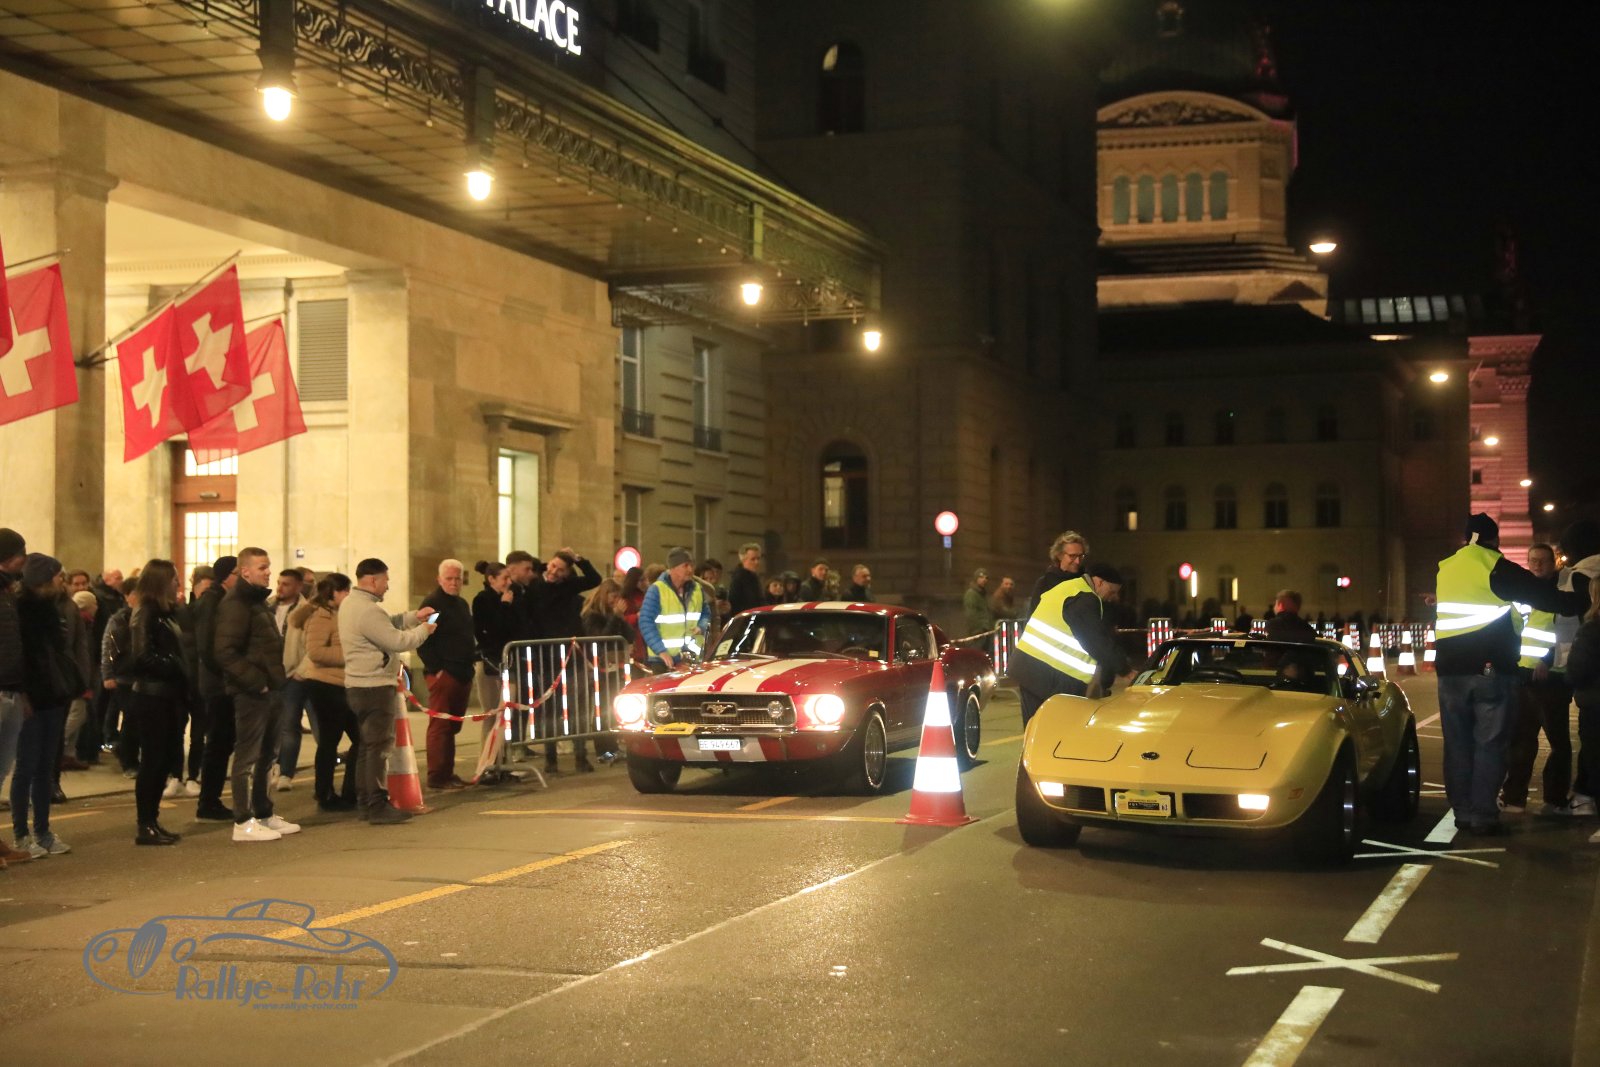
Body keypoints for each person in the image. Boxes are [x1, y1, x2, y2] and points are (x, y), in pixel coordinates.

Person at [1433, 514, 1585, 836]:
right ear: (1494, 539)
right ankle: (1483, 816)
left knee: (1457, 744)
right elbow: (1545, 596)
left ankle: (1462, 812)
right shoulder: (1495, 566)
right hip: (1487, 667)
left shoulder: (1446, 568)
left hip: (1448, 670)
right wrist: (1585, 599)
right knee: (1490, 742)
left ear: (1466, 538)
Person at [339, 558, 434, 824]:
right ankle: (377, 805)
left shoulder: (351, 604)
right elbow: (396, 640)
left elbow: (386, 624)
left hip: (358, 686)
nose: (387, 586)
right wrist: (424, 630)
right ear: (372, 580)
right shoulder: (368, 611)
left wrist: (413, 617)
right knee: (378, 748)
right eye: (385, 580)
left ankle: (365, 803)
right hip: (374, 686)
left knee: (366, 747)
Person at [214, 547, 298, 843]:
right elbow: (225, 651)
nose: (268, 572)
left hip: (271, 689)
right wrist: (257, 682)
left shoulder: (257, 601)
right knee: (248, 757)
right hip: (252, 692)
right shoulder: (236, 603)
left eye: (268, 566)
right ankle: (243, 820)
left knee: (268, 755)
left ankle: (263, 812)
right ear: (245, 571)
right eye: (262, 567)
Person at [11, 554, 78, 858]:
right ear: (44, 578)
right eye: (57, 575)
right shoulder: (20, 609)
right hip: (31, 697)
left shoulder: (52, 607)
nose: (61, 581)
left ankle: (43, 830)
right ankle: (21, 834)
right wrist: (23, 694)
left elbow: (61, 650)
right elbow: (19, 657)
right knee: (26, 766)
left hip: (53, 694)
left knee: (46, 767)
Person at [1013, 561, 1132, 728]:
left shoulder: (1069, 588)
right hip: (1052, 676)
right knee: (1056, 732)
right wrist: (1125, 669)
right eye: (1112, 591)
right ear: (1099, 582)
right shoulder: (1084, 598)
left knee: (1035, 730)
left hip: (1030, 668)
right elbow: (1095, 640)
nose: (1113, 597)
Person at [120, 561, 188, 846]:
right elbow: (141, 656)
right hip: (152, 696)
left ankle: (152, 820)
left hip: (168, 694)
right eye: (173, 579)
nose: (178, 584)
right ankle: (145, 823)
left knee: (164, 760)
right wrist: (174, 665)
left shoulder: (166, 612)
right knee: (153, 760)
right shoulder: (145, 612)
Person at [1502, 543, 1568, 814]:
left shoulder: (1563, 593)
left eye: (1542, 560)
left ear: (1553, 563)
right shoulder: (1523, 595)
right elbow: (1515, 630)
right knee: (1521, 739)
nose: (1537, 565)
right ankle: (1514, 798)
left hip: (1552, 676)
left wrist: (1548, 660)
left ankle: (1555, 800)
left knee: (1558, 743)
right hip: (1524, 675)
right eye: (1533, 560)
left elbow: (1568, 632)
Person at [527, 548, 602, 773]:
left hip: (571, 657)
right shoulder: (535, 586)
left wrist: (579, 559)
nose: (554, 572)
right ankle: (550, 760)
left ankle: (581, 756)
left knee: (577, 708)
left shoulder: (569, 586)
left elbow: (594, 579)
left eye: (560, 569)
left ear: (567, 573)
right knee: (549, 710)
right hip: (546, 658)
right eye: (552, 566)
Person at [294, 574, 361, 812]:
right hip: (324, 685)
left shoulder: (341, 614)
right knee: (330, 741)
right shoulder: (321, 616)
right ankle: (325, 794)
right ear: (332, 593)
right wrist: (351, 655)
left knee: (360, 738)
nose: (348, 595)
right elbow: (316, 652)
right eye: (344, 591)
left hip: (343, 684)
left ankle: (351, 791)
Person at [1552, 520, 1600, 816]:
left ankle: (1585, 798)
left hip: (1592, 693)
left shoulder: (1577, 577)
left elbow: (1578, 661)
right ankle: (1583, 792)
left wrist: (1568, 674)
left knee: (1593, 747)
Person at [420, 559, 475, 791]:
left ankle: (448, 773)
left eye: (457, 579)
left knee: (452, 727)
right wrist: (437, 669)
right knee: (440, 726)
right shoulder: (432, 605)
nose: (454, 583)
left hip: (462, 672)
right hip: (445, 674)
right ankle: (437, 776)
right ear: (439, 579)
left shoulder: (462, 604)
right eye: (449, 579)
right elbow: (423, 638)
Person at [193, 556, 239, 821]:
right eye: (237, 573)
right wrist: (229, 671)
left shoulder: (222, 599)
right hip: (217, 684)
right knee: (218, 743)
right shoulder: (212, 602)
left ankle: (211, 799)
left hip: (222, 681)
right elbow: (208, 647)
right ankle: (208, 802)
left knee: (223, 742)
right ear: (225, 576)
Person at [0, 529, 33, 870]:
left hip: (10, 688)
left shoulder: (9, 591)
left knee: (2, 768)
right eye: (21, 553)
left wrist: (21, 690)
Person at [1561, 577, 1600, 844]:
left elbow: (1577, 669)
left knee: (1596, 759)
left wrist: (1569, 677)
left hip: (1595, 703)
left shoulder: (1591, 630)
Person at [269, 569, 312, 793]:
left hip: (293, 674)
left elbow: (310, 645)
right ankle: (273, 766)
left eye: (286, 584)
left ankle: (286, 771)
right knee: (271, 725)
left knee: (289, 724)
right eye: (279, 583)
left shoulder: (306, 610)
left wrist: (301, 671)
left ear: (298, 587)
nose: (280, 588)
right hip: (270, 674)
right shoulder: (268, 606)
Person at [638, 548, 710, 674]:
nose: (690, 569)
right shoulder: (657, 590)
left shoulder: (697, 589)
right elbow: (645, 621)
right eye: (685, 565)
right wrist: (661, 651)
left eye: (692, 565)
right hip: (664, 660)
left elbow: (706, 613)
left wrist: (701, 626)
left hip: (691, 658)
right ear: (673, 568)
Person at [472, 560, 518, 750]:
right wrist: (504, 606)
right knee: (491, 713)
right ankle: (487, 759)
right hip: (489, 663)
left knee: (506, 714)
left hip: (506, 661)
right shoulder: (482, 599)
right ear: (491, 579)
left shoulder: (509, 598)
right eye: (504, 578)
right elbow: (491, 629)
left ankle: (501, 756)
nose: (509, 582)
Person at [1029, 531, 1089, 614]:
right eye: (1072, 556)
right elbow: (1033, 615)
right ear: (1059, 555)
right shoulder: (1044, 583)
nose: (1077, 561)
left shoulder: (1087, 582)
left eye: (1081, 556)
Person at [728, 542, 765, 615]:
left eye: (758, 558)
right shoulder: (738, 578)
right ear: (743, 560)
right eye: (753, 559)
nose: (757, 562)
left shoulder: (754, 577)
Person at [962, 569, 995, 635]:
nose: (984, 580)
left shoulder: (982, 594)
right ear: (976, 579)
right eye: (981, 577)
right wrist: (979, 629)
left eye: (986, 578)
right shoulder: (971, 594)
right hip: (977, 632)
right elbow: (971, 614)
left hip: (985, 631)